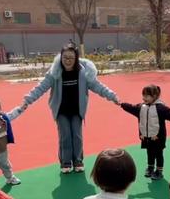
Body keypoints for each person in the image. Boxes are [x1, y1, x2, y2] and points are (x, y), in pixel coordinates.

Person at [22, 43, 119, 173]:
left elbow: (98, 86)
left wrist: (113, 96)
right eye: (65, 57)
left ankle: (78, 160)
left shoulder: (83, 73)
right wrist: (28, 100)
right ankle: (66, 162)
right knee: (65, 135)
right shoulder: (55, 72)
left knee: (77, 135)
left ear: (76, 59)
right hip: (61, 110)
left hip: (77, 110)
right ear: (60, 57)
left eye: (71, 58)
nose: (67, 61)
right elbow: (41, 87)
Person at [118, 85, 170, 180]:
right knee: (150, 152)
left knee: (158, 153)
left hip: (158, 136)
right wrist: (122, 104)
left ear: (155, 96)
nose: (144, 98)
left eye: (147, 96)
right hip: (146, 136)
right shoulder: (141, 107)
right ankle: (150, 167)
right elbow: (131, 107)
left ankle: (159, 171)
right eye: (143, 95)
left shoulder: (161, 108)